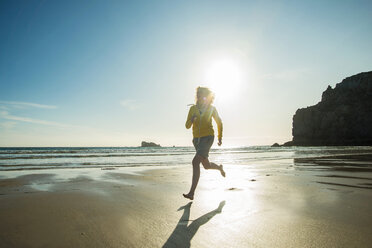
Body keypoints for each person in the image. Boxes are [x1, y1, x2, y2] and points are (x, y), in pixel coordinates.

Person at [183, 87, 225, 200]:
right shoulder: (192, 109)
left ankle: (191, 193)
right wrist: (192, 120)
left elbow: (219, 122)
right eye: (199, 95)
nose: (201, 97)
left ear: (209, 97)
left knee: (195, 161)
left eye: (204, 95)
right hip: (196, 140)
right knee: (206, 166)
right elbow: (187, 126)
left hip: (207, 138)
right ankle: (219, 168)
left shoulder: (211, 108)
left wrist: (220, 137)